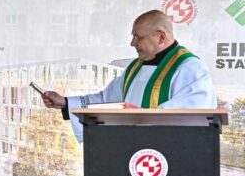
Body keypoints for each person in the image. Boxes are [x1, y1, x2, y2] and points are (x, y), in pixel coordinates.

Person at [42, 10, 216, 141]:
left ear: (161, 36)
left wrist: (138, 118)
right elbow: (107, 101)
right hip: (131, 149)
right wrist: (66, 102)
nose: (132, 43)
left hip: (169, 156)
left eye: (137, 37)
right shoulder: (135, 67)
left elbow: (193, 115)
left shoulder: (190, 68)